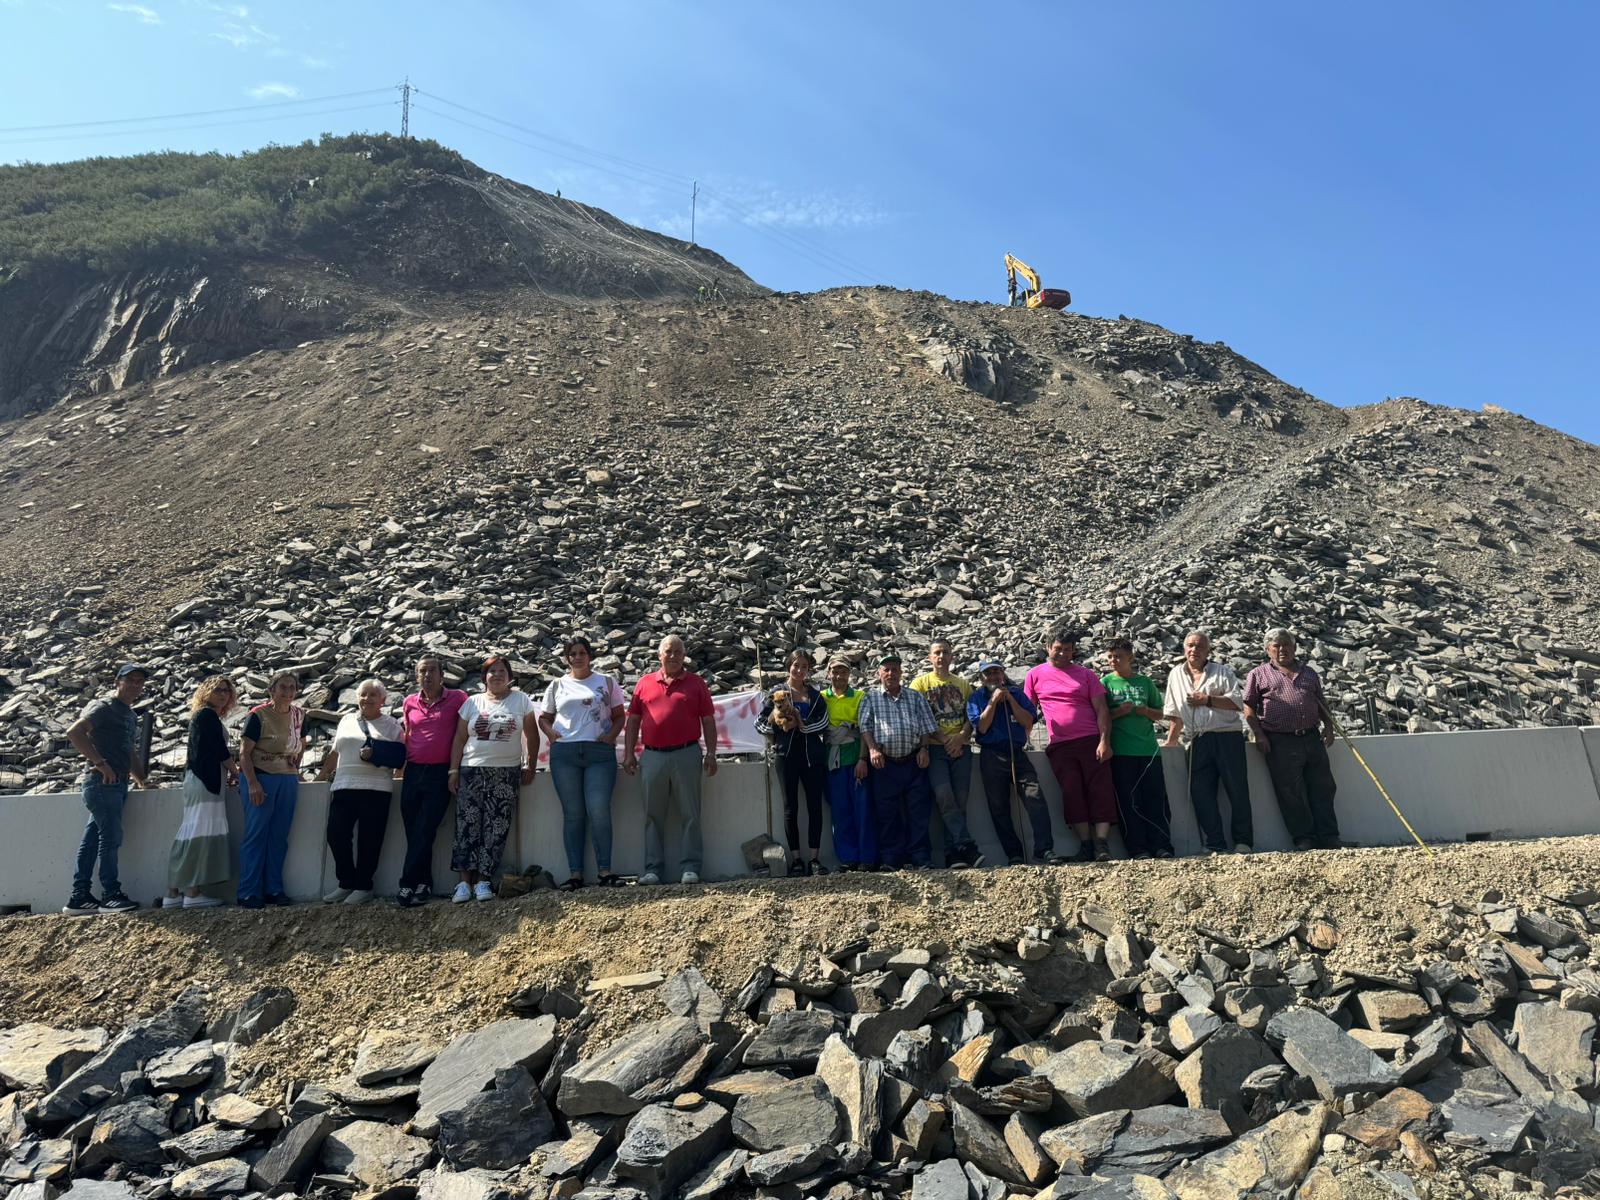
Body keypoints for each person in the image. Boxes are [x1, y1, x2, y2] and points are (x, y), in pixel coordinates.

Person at [622, 634, 717, 886]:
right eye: (668, 651)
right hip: (652, 756)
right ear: (659, 655)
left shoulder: (696, 683)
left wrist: (711, 753)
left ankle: (690, 867)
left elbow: (708, 720)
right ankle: (653, 869)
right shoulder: (644, 683)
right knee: (653, 815)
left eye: (677, 651)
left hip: (687, 754)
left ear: (684, 655)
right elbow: (633, 720)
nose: (673, 656)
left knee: (690, 813)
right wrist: (629, 753)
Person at [447, 655, 539, 902]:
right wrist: (453, 771)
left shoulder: (521, 700)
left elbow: (532, 735)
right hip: (472, 770)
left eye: (502, 671)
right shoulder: (472, 702)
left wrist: (529, 763)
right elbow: (458, 739)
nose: (497, 675)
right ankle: (464, 883)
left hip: (505, 772)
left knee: (496, 826)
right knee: (468, 825)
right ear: (484, 677)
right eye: (491, 671)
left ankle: (484, 880)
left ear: (510, 677)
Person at [63, 663, 151, 915]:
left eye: (140, 681)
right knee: (110, 838)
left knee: (92, 839)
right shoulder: (103, 707)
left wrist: (141, 778)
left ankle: (79, 897)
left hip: (117, 783)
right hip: (102, 783)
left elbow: (128, 750)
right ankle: (110, 894)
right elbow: (75, 732)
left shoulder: (129, 714)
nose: (136, 685)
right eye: (131, 680)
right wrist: (101, 764)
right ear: (117, 682)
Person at [539, 637, 626, 890]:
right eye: (572, 653)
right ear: (567, 658)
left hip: (599, 753)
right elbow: (544, 718)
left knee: (598, 809)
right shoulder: (557, 685)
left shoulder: (606, 682)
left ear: (590, 656)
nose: (577, 657)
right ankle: (575, 874)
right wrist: (552, 735)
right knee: (573, 814)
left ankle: (605, 871)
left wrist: (610, 737)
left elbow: (620, 716)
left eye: (582, 653)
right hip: (565, 754)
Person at [1244, 629, 1341, 851]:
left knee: (1324, 787)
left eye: (1286, 644)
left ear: (1294, 647)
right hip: (1280, 741)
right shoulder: (1258, 674)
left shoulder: (1309, 673)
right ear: (1268, 649)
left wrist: (1329, 726)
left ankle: (1329, 837)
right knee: (1290, 792)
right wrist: (1258, 733)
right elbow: (1248, 706)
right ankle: (1304, 838)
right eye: (1276, 645)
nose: (1282, 649)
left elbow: (1320, 701)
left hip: (1311, 737)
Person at [1024, 630, 1116, 862]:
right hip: (1061, 745)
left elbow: (1102, 709)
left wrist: (1104, 740)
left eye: (1068, 649)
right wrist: (1023, 739)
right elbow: (1027, 712)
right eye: (1058, 648)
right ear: (1048, 647)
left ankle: (1102, 844)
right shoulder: (1035, 675)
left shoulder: (1086, 674)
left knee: (1100, 790)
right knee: (1072, 793)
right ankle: (1085, 845)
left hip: (1091, 740)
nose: (1063, 653)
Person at [1162, 631, 1253, 854]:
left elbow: (1237, 703)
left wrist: (1208, 700)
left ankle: (1243, 841)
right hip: (1196, 739)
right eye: (1190, 645)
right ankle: (1215, 842)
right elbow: (1174, 712)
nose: (1194, 650)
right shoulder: (1175, 674)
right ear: (1184, 648)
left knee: (1237, 789)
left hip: (1226, 736)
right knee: (1201, 793)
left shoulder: (1222, 671)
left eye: (1199, 646)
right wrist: (1171, 741)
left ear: (1208, 650)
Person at [317, 679, 401, 905]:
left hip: (376, 789)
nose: (367, 699)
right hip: (344, 786)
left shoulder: (392, 725)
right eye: (363, 694)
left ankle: (364, 886)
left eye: (373, 695)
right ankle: (346, 882)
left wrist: (394, 774)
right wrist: (321, 777)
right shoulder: (346, 720)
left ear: (382, 700)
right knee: (336, 835)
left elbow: (401, 756)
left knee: (370, 840)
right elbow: (335, 753)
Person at [968, 657, 1057, 865]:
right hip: (991, 755)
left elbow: (1028, 720)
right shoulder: (976, 698)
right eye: (988, 673)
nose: (993, 677)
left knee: (1035, 796)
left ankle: (1044, 849)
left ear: (1002, 674)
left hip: (1017, 753)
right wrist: (993, 702)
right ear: (981, 677)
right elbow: (981, 727)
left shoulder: (1016, 693)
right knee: (998, 807)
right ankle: (1014, 854)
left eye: (996, 672)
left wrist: (1010, 701)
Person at [397, 654, 468, 907]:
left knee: (426, 827)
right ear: (417, 676)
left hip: (441, 773)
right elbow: (408, 733)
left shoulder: (458, 698)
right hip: (414, 772)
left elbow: (464, 732)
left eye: (432, 671)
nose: (427, 676)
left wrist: (455, 769)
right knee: (412, 830)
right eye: (422, 671)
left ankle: (406, 883)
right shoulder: (409, 702)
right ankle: (424, 883)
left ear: (441, 675)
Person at [857, 652, 937, 871]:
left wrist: (924, 748)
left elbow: (926, 725)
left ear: (901, 672)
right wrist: (872, 750)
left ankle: (920, 857)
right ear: (879, 674)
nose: (891, 673)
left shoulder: (914, 696)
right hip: (885, 764)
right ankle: (891, 858)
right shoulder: (870, 698)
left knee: (918, 811)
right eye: (886, 669)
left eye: (895, 669)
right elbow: (865, 727)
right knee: (887, 813)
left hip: (913, 761)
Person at [755, 649, 832, 876]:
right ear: (789, 666)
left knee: (814, 806)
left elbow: (823, 723)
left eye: (804, 666)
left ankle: (815, 859)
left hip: (812, 756)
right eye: (795, 665)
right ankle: (796, 859)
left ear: (809, 670)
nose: (799, 670)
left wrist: (800, 724)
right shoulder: (776, 692)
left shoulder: (816, 696)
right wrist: (779, 726)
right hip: (786, 755)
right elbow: (759, 723)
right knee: (790, 808)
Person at [162, 675, 236, 910]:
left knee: (191, 830)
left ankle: (173, 892)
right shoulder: (207, 715)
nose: (223, 694)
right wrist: (236, 772)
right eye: (218, 690)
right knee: (201, 830)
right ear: (206, 692)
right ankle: (193, 892)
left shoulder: (201, 715)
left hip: (198, 779)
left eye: (226, 690)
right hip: (207, 780)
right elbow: (219, 749)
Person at [909, 639, 984, 868]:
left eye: (945, 652)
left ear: (952, 657)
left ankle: (954, 855)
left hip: (961, 747)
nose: (941, 656)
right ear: (930, 658)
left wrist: (960, 738)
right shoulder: (919, 684)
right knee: (944, 796)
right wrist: (944, 740)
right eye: (937, 653)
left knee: (960, 800)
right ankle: (967, 846)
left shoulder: (963, 685)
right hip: (934, 748)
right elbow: (919, 717)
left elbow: (971, 717)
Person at [1101, 639, 1175, 859]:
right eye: (1111, 657)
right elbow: (1100, 716)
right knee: (1128, 802)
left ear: (1130, 658)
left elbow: (1160, 713)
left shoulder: (1145, 682)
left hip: (1148, 751)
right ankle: (1137, 848)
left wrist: (1146, 712)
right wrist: (1118, 713)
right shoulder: (1105, 683)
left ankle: (1162, 845)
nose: (1114, 661)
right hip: (1121, 752)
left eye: (1119, 657)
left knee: (1156, 799)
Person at [238, 672, 305, 909]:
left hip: (287, 778)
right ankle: (248, 891)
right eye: (282, 687)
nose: (288, 691)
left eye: (292, 687)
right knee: (256, 835)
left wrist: (297, 766)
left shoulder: (298, 714)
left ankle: (273, 889)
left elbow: (301, 742)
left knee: (279, 836)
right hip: (262, 777)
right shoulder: (258, 715)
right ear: (272, 690)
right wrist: (252, 783)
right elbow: (245, 752)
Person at [821, 656, 876, 871]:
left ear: (849, 674)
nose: (839, 676)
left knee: (862, 810)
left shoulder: (860, 697)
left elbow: (864, 729)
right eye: (835, 671)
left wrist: (863, 759)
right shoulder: (822, 697)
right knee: (840, 811)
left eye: (843, 671)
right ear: (828, 674)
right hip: (833, 759)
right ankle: (848, 858)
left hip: (855, 758)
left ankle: (867, 858)